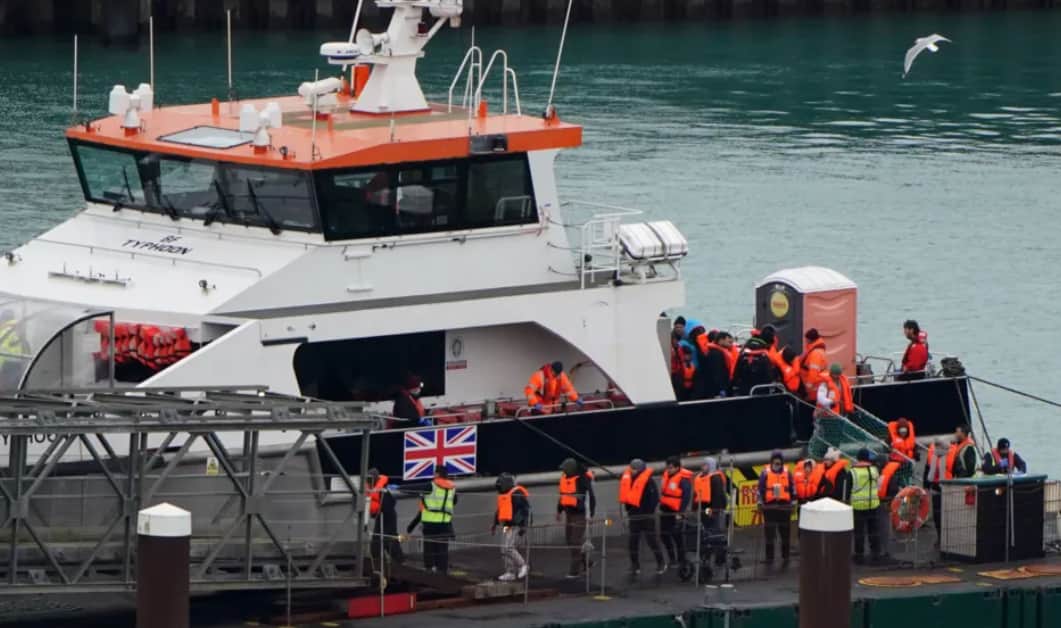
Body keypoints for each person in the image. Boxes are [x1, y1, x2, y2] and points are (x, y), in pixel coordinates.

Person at [619, 458, 667, 576]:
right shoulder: (630, 480)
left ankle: (661, 563)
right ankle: (635, 565)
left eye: (634, 469)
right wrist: (629, 511)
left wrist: (648, 512)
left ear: (640, 469)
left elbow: (654, 499)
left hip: (646, 517)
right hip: (634, 516)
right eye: (631, 468)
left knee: (652, 541)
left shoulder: (649, 482)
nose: (632, 470)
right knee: (633, 542)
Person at [406, 467, 456, 574]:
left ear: (437, 474)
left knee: (429, 547)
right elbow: (454, 501)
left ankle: (429, 569)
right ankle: (442, 571)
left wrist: (397, 487)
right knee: (442, 548)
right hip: (445, 524)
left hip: (430, 524)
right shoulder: (452, 488)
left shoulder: (431, 485)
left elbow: (413, 488)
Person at [557, 457, 596, 578]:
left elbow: (591, 498)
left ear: (571, 469)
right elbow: (562, 496)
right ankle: (587, 562)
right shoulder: (564, 478)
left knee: (575, 541)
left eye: (565, 469)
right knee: (569, 540)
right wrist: (559, 510)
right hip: (569, 514)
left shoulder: (582, 480)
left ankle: (574, 571)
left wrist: (590, 514)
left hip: (580, 514)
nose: (563, 471)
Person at [758, 450, 795, 566]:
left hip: (784, 507)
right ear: (772, 461)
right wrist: (760, 502)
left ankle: (786, 556)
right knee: (769, 534)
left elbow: (792, 488)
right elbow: (760, 489)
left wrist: (793, 502)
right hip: (770, 507)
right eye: (775, 459)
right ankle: (769, 558)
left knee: (785, 533)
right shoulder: (765, 473)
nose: (777, 462)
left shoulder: (788, 473)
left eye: (779, 460)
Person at [492, 473, 530, 581]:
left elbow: (525, 511)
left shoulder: (517, 494)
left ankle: (523, 565)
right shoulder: (504, 495)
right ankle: (510, 572)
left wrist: (523, 526)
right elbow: (499, 510)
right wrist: (494, 523)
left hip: (515, 525)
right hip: (506, 526)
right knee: (504, 549)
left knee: (509, 547)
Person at [694, 456, 730, 568]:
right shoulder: (700, 477)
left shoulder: (715, 479)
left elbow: (718, 497)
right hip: (704, 508)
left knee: (716, 533)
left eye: (705, 465)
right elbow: (696, 494)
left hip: (712, 509)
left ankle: (720, 558)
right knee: (706, 533)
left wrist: (713, 511)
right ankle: (706, 556)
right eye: (702, 464)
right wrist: (694, 508)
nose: (702, 466)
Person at [658, 456, 693, 571]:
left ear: (677, 468)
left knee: (677, 536)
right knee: (664, 535)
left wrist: (680, 512)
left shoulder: (683, 479)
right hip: (665, 510)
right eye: (667, 467)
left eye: (671, 468)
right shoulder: (667, 475)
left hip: (676, 512)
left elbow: (686, 497)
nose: (668, 470)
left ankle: (681, 559)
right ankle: (672, 558)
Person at [850, 448, 882, 564]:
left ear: (858, 458)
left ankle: (859, 555)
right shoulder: (875, 470)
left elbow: (848, 488)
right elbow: (879, 486)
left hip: (858, 506)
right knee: (874, 531)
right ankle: (876, 554)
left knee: (859, 532)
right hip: (873, 504)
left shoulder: (853, 472)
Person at [366, 468, 404, 565]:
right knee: (376, 541)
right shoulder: (372, 488)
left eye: (370, 479)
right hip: (379, 517)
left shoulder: (383, 490)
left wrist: (379, 511)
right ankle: (377, 561)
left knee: (389, 539)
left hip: (388, 516)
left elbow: (391, 504)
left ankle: (399, 561)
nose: (369, 481)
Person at [732, 326, 780, 397]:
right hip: (760, 392)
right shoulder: (765, 355)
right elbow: (769, 376)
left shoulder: (743, 351)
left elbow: (736, 372)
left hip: (742, 390)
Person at [923, 436, 949, 544]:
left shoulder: (950, 454)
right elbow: (927, 469)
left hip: (948, 488)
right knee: (937, 514)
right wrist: (926, 486)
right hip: (935, 488)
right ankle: (940, 537)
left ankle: (946, 537)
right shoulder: (931, 454)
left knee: (946, 514)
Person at [695, 332, 734, 399]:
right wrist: (721, 389)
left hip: (715, 387)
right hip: (715, 390)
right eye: (729, 342)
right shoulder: (716, 354)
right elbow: (717, 373)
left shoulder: (717, 351)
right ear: (721, 340)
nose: (731, 344)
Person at [0, 310, 28, 391]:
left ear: (4, 319)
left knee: (4, 390)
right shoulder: (18, 330)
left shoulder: (4, 331)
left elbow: (2, 351)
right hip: (18, 364)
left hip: (6, 365)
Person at [801, 328, 828, 402]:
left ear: (810, 340)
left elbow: (813, 373)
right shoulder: (816, 350)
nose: (805, 341)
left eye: (806, 340)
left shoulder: (815, 353)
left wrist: (807, 389)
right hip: (816, 386)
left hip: (813, 390)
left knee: (810, 406)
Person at [669, 316, 687, 395]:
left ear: (684, 327)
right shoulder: (670, 336)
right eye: (677, 327)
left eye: (680, 327)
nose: (678, 329)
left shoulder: (686, 337)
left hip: (682, 368)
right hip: (674, 369)